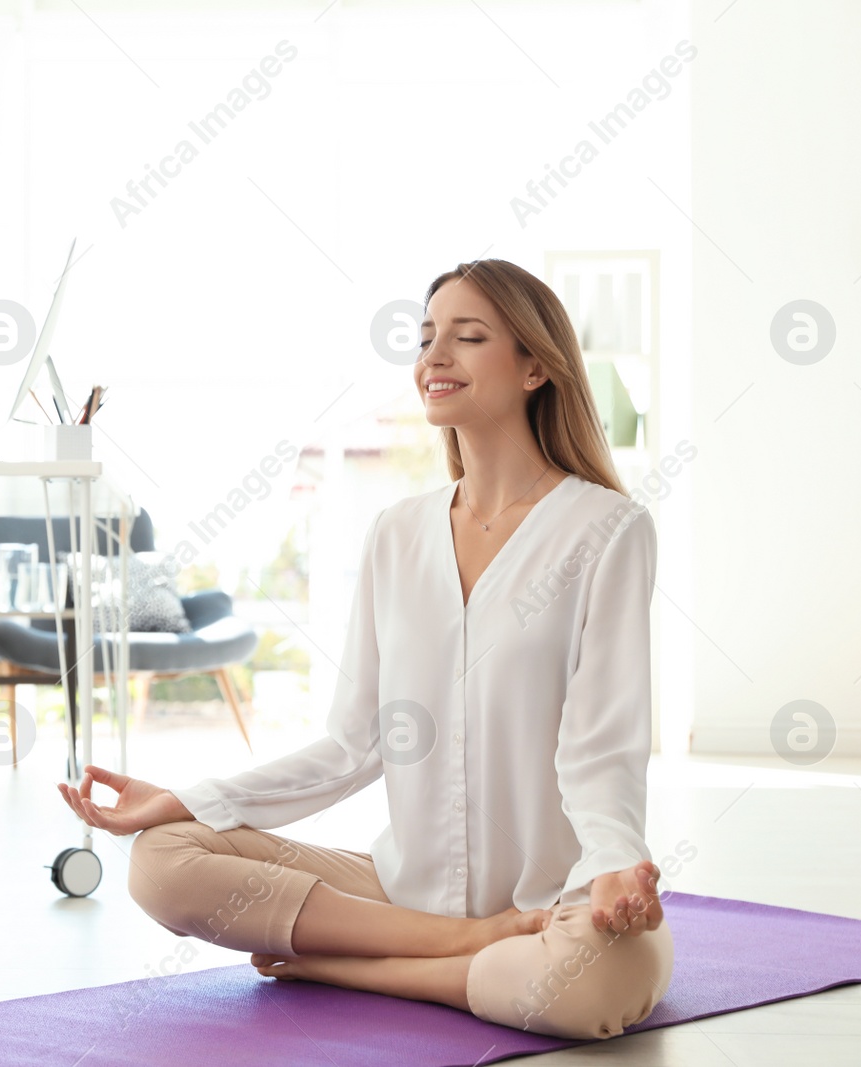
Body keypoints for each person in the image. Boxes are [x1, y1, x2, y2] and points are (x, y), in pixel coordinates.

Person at [55, 259, 672, 1040]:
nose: (433, 357)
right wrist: (189, 800)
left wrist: (615, 863)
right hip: (405, 892)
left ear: (535, 368)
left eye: (469, 337)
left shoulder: (607, 530)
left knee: (586, 985)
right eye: (426, 338)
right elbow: (353, 745)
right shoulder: (398, 534)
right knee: (162, 861)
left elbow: (601, 750)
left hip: (557, 902)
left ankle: (346, 964)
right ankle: (458, 948)